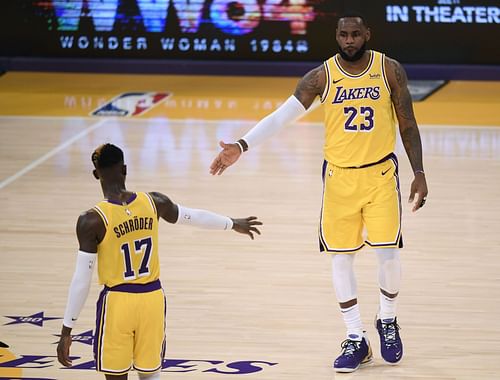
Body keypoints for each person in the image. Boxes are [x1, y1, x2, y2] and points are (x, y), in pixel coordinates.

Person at [209, 11, 428, 373]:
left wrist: (419, 171)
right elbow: (282, 116)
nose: (350, 41)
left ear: (367, 34)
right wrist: (242, 146)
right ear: (336, 37)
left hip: (380, 174)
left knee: (388, 251)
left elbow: (408, 121)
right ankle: (355, 337)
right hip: (340, 179)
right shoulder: (321, 76)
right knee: (341, 257)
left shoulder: (389, 70)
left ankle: (387, 320)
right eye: (344, 35)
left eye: (356, 34)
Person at [57, 143, 262, 380]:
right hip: (152, 299)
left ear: (96, 174)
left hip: (118, 302)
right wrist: (232, 223)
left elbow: (82, 279)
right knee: (151, 375)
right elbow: (193, 216)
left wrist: (67, 330)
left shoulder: (91, 220)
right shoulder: (154, 202)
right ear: (124, 169)